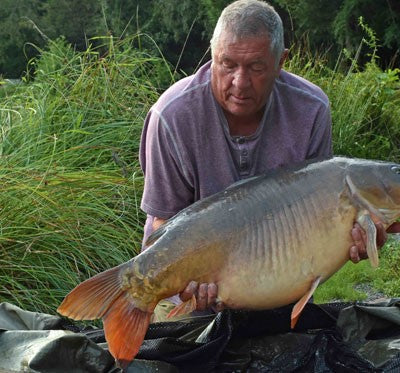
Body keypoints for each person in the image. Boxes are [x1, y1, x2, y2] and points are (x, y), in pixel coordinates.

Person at [139, 0, 386, 317]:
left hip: (275, 279)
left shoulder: (311, 110)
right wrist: (187, 283)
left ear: (281, 61)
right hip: (187, 289)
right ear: (212, 54)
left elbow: (319, 217)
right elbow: (162, 222)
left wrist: (353, 239)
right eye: (227, 65)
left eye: (256, 68)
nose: (240, 83)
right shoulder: (171, 115)